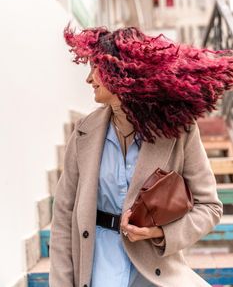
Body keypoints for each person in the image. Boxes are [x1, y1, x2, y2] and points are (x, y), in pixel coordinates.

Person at [49, 26, 233, 287]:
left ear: (121, 72)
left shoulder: (178, 131)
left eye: (95, 69)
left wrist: (160, 233)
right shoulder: (83, 133)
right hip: (96, 265)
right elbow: (64, 217)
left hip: (154, 273)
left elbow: (210, 207)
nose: (89, 80)